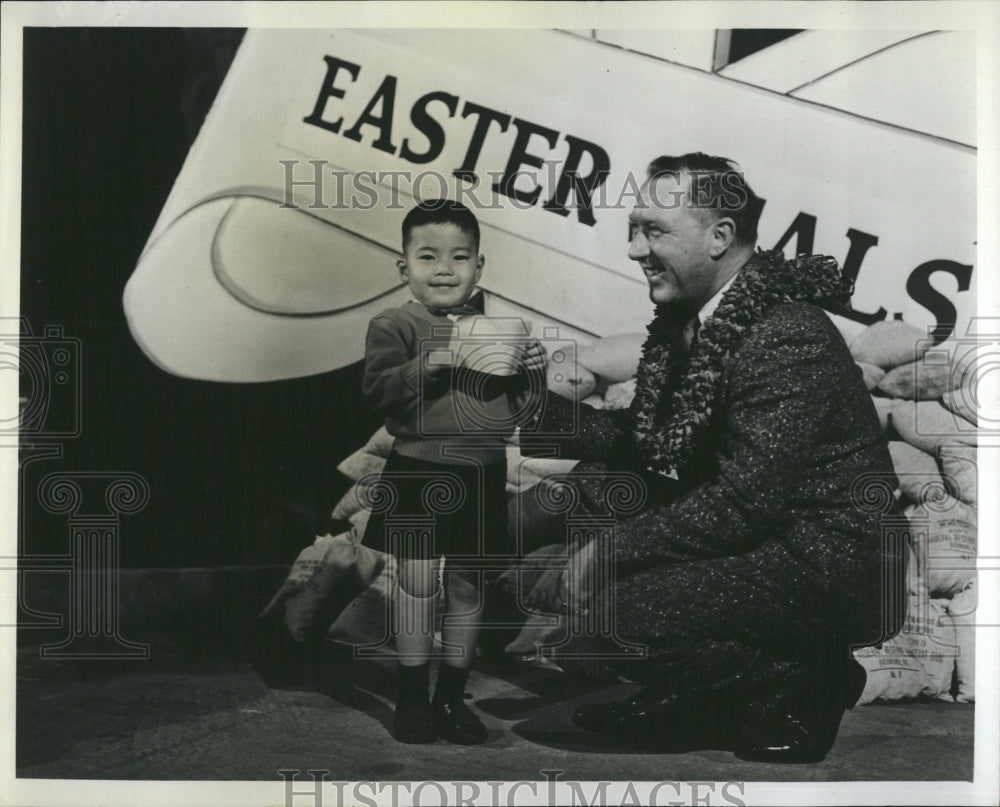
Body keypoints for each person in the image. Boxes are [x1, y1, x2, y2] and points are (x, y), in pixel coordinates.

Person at [526, 153, 905, 763]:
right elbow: (645, 441)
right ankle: (696, 695)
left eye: (653, 230)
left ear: (720, 236)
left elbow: (740, 503)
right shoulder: (695, 320)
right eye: (634, 229)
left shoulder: (784, 333)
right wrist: (525, 412)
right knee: (598, 484)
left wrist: (605, 553)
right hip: (772, 540)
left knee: (615, 610)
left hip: (827, 563)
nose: (633, 249)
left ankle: (805, 680)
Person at [361, 199, 544, 745]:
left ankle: (451, 699)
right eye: (428, 257)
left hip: (483, 473)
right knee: (416, 585)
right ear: (404, 268)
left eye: (460, 257)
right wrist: (434, 360)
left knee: (468, 588)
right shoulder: (393, 323)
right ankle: (413, 697)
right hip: (417, 469)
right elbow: (375, 393)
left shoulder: (500, 328)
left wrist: (532, 375)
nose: (444, 269)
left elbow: (520, 416)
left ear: (479, 267)